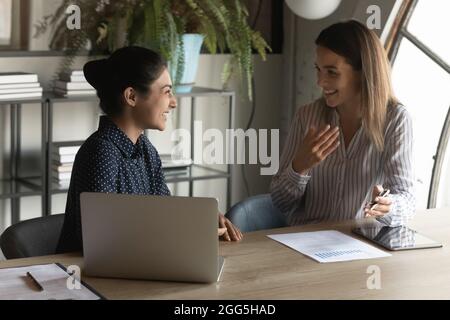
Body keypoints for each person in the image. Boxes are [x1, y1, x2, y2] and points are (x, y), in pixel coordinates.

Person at [56, 46, 242, 253]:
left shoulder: (146, 150)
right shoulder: (101, 152)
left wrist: (200, 219)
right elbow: (100, 239)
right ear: (131, 97)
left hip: (133, 267)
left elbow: (163, 214)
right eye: (167, 92)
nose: (173, 102)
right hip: (90, 277)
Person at [271, 20, 415, 227]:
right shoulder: (306, 117)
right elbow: (280, 203)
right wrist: (298, 168)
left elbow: (407, 200)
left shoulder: (396, 120)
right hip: (304, 243)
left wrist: (388, 206)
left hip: (361, 245)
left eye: (331, 72)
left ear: (363, 72)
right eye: (318, 70)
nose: (320, 82)